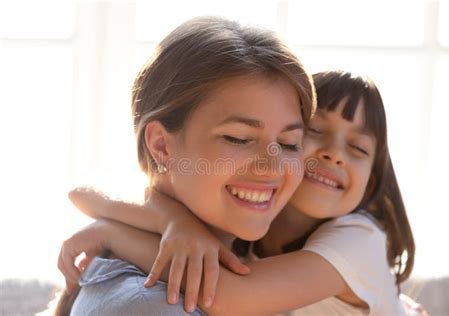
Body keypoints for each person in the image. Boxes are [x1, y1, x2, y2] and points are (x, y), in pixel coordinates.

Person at [60, 71, 423, 315]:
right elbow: (84, 192)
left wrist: (112, 233)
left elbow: (228, 296)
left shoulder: (360, 239)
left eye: (357, 149)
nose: (333, 153)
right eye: (314, 132)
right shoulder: (250, 216)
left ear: (370, 185)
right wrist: (174, 220)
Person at [55, 15, 316, 315]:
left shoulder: (265, 251)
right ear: (161, 146)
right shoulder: (149, 306)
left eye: (289, 143)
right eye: (238, 138)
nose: (272, 167)